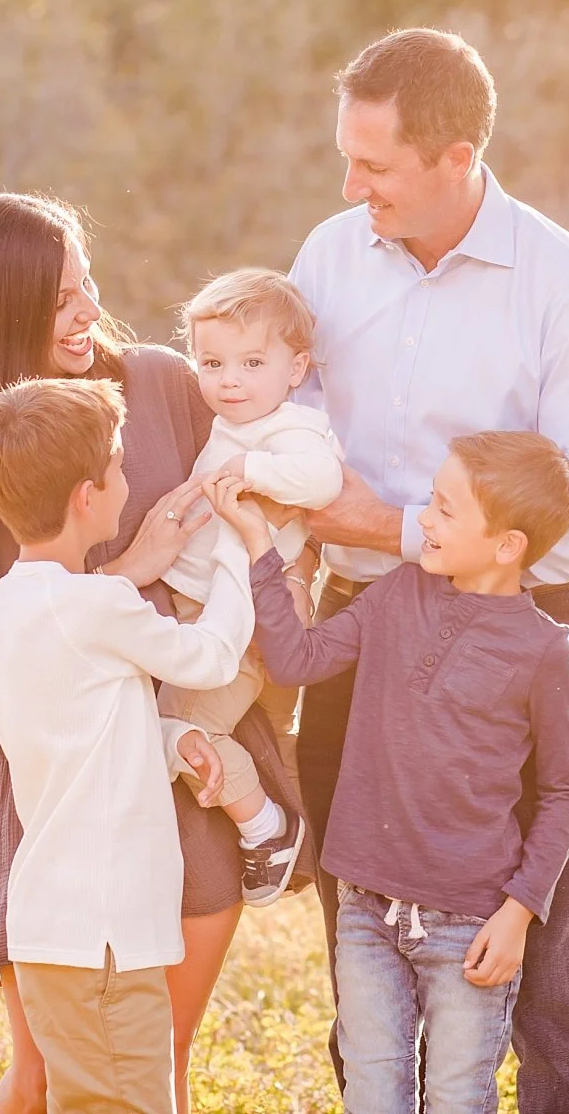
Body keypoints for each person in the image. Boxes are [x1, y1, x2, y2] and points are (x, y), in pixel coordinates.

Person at [0, 192, 312, 1114]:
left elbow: (272, 468)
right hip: (66, 789)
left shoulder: (156, 384)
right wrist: (126, 573)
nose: (89, 312)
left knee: (159, 1061)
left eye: (88, 285)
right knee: (43, 1076)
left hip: (188, 762)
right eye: (60, 299)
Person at [290, 28, 569, 1112]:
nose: (352, 189)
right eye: (347, 159)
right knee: (366, 961)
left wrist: (392, 528)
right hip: (358, 629)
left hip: (517, 637)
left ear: (457, 156)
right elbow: (291, 432)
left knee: (551, 973)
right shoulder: (329, 257)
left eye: (375, 166)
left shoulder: (565, 288)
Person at [206, 431, 569, 1114]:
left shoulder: (544, 650)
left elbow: (567, 791)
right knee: (373, 1097)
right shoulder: (397, 593)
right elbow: (296, 660)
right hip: (365, 909)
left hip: (470, 923)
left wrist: (519, 911)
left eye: (444, 509)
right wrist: (261, 547)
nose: (424, 518)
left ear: (507, 545)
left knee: (456, 1099)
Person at [0, 376, 247, 1113]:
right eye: (120, 467)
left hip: (60, 929)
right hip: (104, 938)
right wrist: (242, 554)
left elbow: (80, 733)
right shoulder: (98, 603)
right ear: (87, 497)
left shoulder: (12, 603)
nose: (129, 479)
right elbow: (213, 657)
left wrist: (172, 739)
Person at [158, 268, 339, 905]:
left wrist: (250, 469)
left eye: (252, 363)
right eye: (212, 363)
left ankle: (267, 829)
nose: (229, 380)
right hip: (209, 605)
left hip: (240, 625)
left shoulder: (290, 429)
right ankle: (297, 825)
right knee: (264, 732)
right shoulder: (236, 422)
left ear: (297, 368)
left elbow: (322, 480)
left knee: (177, 730)